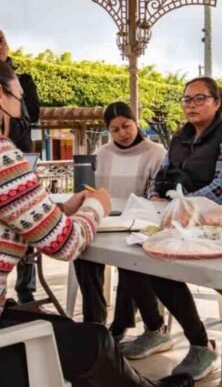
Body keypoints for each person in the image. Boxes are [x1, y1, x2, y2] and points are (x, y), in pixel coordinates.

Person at [0, 52, 192, 387]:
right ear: (0, 95)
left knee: (72, 335)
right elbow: (66, 244)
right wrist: (96, 205)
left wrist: (63, 211)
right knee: (93, 343)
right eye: (19, 98)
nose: (23, 109)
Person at [109, 77, 222, 381]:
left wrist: (182, 205)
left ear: (216, 102)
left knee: (156, 258)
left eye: (199, 99)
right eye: (187, 99)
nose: (191, 105)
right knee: (132, 253)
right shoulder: (180, 136)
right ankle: (154, 329)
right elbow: (161, 174)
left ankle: (202, 344)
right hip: (173, 216)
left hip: (216, 222)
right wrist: (154, 197)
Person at [72, 102, 168, 343]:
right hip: (105, 221)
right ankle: (94, 323)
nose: (122, 134)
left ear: (136, 122)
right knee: (82, 254)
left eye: (126, 126)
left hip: (139, 223)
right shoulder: (103, 153)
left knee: (129, 261)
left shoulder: (156, 152)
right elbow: (93, 189)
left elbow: (157, 194)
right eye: (114, 130)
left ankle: (123, 324)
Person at [0, 19, 43, 305]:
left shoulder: (22, 81)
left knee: (29, 226)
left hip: (20, 160)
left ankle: (26, 291)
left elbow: (35, 116)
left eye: (1, 40)